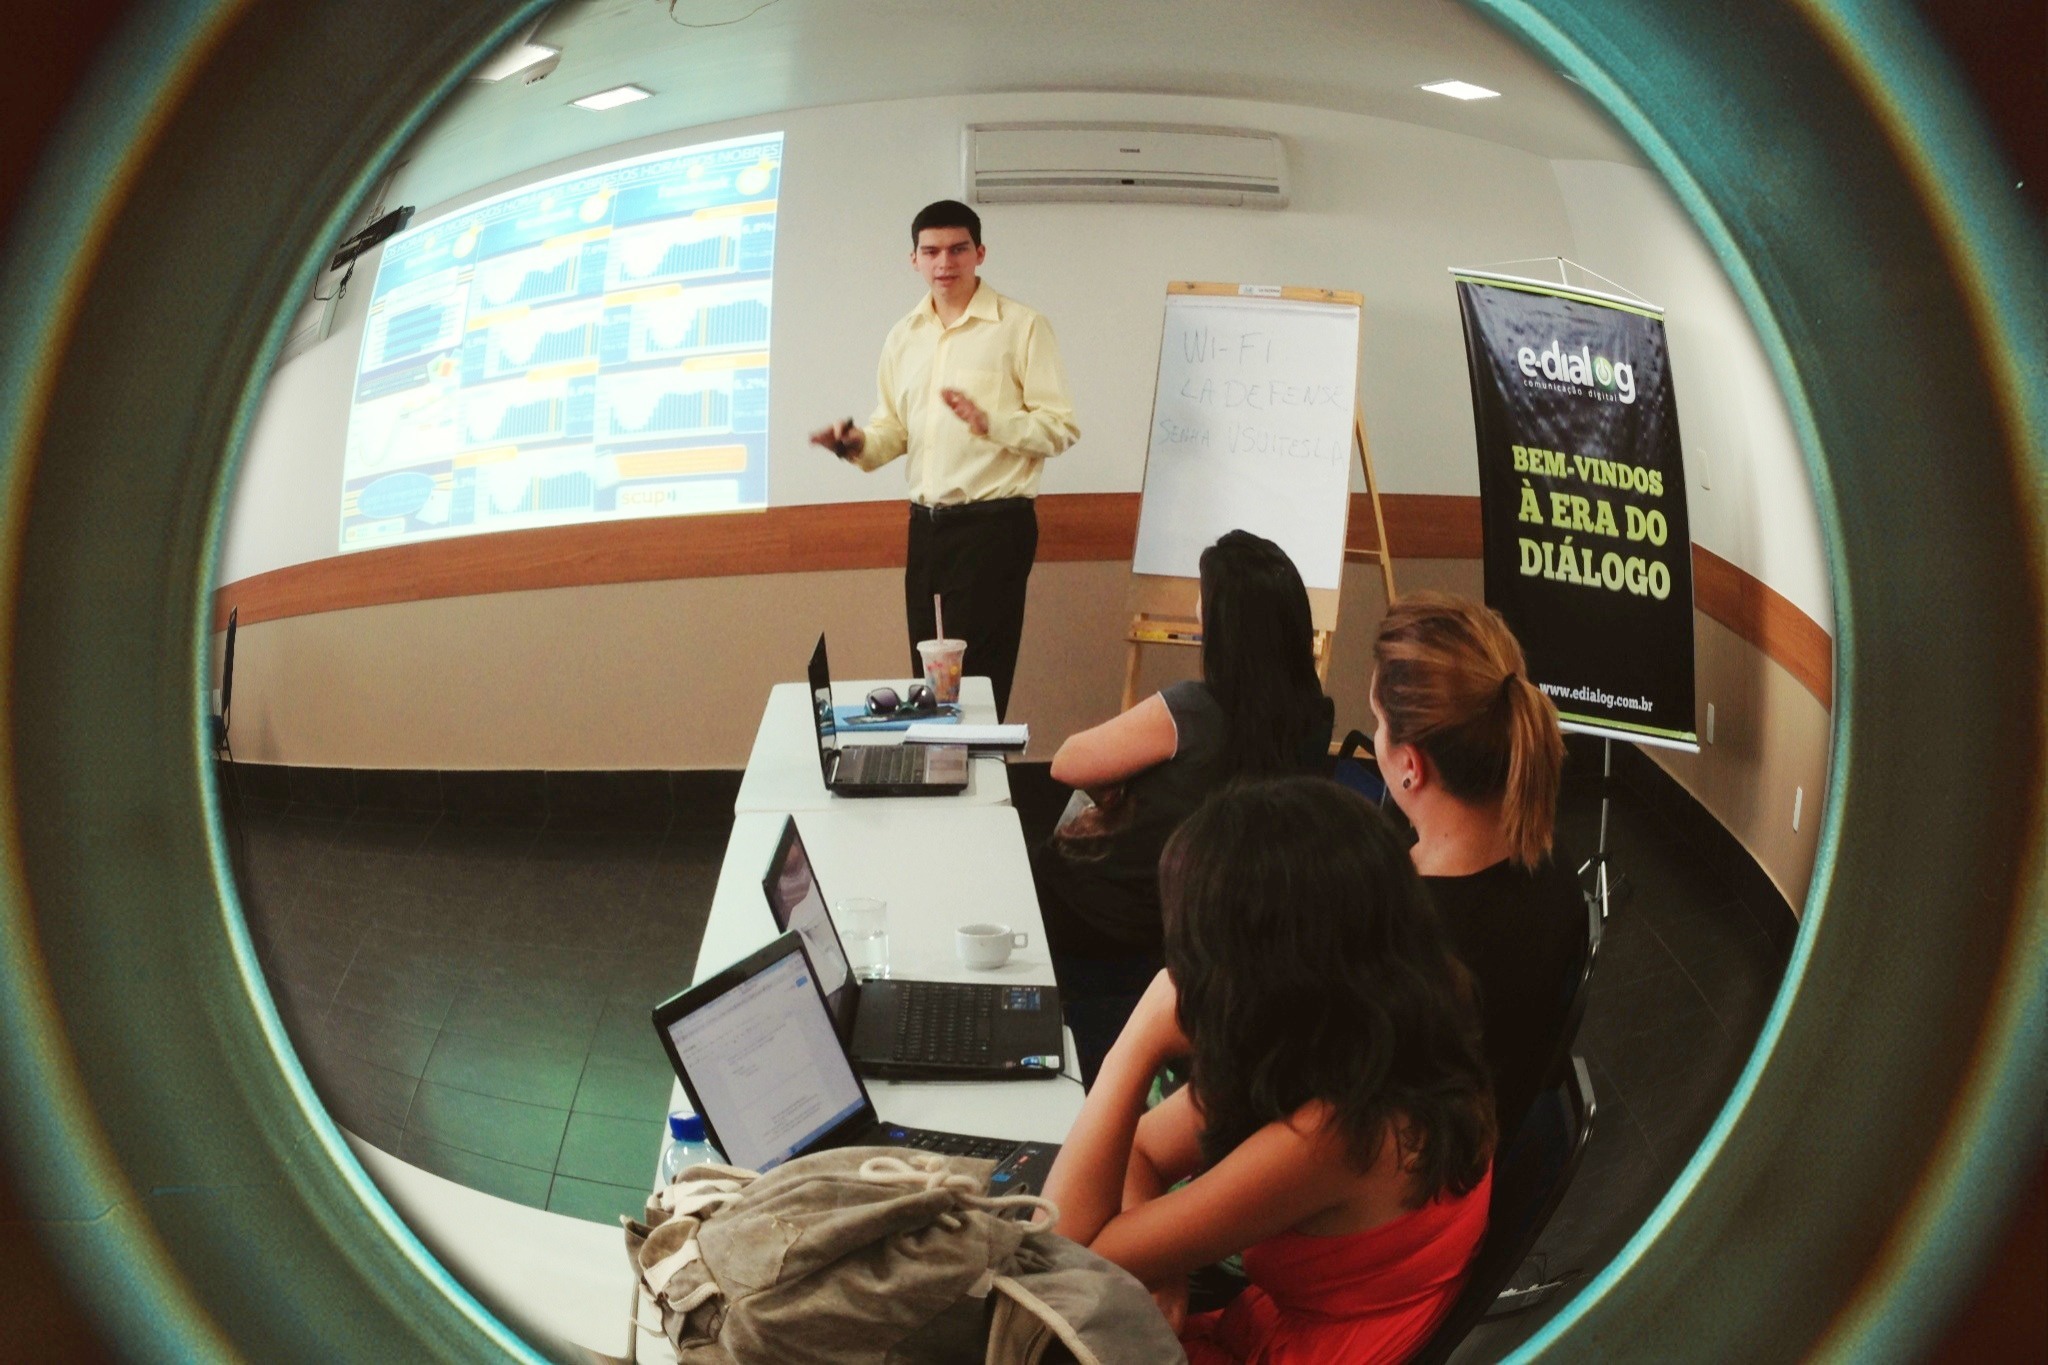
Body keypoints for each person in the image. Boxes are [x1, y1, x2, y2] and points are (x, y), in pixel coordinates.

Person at [1039, 777, 1496, 1364]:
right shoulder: (1376, 1024)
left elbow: (1065, 1253)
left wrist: (1137, 1039)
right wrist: (1163, 1261)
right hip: (1283, 1318)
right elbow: (1145, 1151)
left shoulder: (1338, 1132)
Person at [1033, 529, 1333, 1079]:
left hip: (1106, 912)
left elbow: (1068, 763)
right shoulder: (1311, 717)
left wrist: (1120, 785)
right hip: (1204, 926)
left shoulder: (1193, 710)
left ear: (1222, 623)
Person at [810, 199, 1078, 719]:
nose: (944, 263)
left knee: (980, 680)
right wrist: (855, 444)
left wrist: (991, 422)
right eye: (931, 251)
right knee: (930, 683)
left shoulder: (1022, 326)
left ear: (980, 253)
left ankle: (979, 769)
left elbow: (1060, 427)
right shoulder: (903, 336)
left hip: (994, 527)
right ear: (913, 259)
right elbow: (893, 431)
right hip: (926, 529)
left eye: (957, 249)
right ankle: (938, 768)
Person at [1370, 591, 1582, 1140]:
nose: (1375, 737)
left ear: (1410, 766)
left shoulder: (1400, 948)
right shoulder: (1552, 861)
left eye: (1378, 723)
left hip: (1423, 1163)